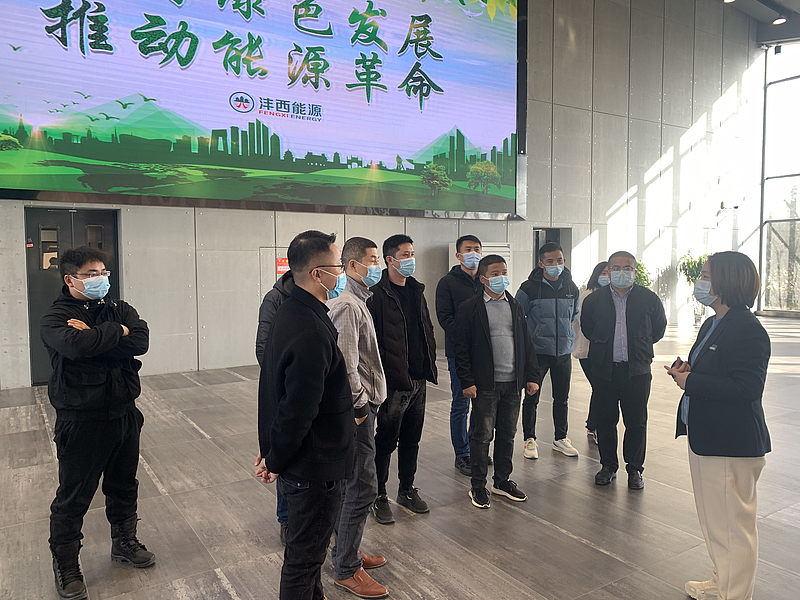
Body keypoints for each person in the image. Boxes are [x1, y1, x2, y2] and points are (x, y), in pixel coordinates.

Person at [41, 247, 153, 600]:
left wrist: (100, 333)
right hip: (81, 419)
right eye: (92, 274)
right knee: (74, 496)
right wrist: (117, 333)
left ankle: (124, 541)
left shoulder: (120, 308)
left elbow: (141, 340)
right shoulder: (55, 318)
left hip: (124, 413)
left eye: (104, 272)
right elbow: (76, 348)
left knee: (124, 485)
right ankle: (66, 564)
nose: (101, 279)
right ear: (70, 279)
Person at [256, 230, 355, 600]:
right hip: (314, 469)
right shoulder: (310, 328)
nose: (342, 274)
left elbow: (276, 391)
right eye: (338, 267)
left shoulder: (291, 311)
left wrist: (272, 450)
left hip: (301, 463)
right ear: (317, 274)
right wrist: (275, 458)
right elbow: (297, 409)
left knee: (307, 562)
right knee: (303, 562)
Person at [665, 252, 771, 600]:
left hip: (731, 443)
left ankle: (734, 594)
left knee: (733, 528)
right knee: (715, 523)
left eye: (707, 275)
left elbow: (747, 389)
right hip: (706, 437)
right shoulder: (713, 323)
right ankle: (722, 580)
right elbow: (718, 370)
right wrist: (688, 371)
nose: (700, 281)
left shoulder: (747, 329)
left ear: (727, 281)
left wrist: (692, 382)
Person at [328, 237, 389, 599]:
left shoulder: (359, 301)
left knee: (354, 483)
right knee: (362, 485)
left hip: (364, 407)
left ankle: (345, 551)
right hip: (358, 412)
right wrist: (361, 407)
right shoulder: (348, 306)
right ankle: (346, 568)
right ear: (352, 266)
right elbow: (346, 365)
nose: (377, 266)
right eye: (373, 260)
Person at [453, 255, 540, 509]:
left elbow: (526, 344)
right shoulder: (470, 308)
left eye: (503, 272)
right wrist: (467, 381)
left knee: (507, 434)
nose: (501, 277)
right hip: (485, 385)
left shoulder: (515, 305)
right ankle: (478, 485)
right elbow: (461, 348)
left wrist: (531, 376)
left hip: (513, 383)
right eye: (494, 273)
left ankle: (502, 481)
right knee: (482, 435)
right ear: (483, 278)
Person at [580, 250, 667, 490]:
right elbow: (588, 328)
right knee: (606, 421)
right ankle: (608, 466)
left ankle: (635, 469)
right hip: (604, 371)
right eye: (616, 268)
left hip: (637, 371)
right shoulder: (594, 300)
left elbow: (658, 329)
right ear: (608, 272)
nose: (621, 272)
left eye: (627, 267)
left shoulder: (649, 299)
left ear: (634, 271)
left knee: (636, 422)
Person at [367, 234, 438, 525]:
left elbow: (426, 328)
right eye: (405, 255)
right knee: (386, 440)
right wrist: (387, 372)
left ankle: (407, 489)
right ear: (390, 260)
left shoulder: (416, 290)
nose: (411, 259)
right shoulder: (376, 294)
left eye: (412, 254)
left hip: (419, 379)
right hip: (394, 382)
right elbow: (372, 341)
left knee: (412, 439)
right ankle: (378, 494)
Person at [516, 242, 581, 459]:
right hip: (537, 353)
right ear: (541, 264)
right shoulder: (528, 288)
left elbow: (573, 315)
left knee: (562, 398)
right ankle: (529, 439)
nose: (556, 264)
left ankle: (560, 438)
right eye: (550, 261)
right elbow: (519, 317)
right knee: (531, 397)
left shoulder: (571, 287)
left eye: (559, 260)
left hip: (563, 352)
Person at [435, 234, 483, 477]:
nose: (473, 253)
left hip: (485, 354)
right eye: (468, 249)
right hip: (459, 353)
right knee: (461, 403)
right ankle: (462, 453)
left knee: (482, 403)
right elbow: (445, 318)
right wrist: (468, 337)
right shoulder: (447, 283)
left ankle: (476, 448)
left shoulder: (486, 279)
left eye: (477, 249)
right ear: (458, 255)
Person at [254, 269, 294, 546]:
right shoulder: (275, 298)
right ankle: (286, 519)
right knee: (284, 452)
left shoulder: (327, 295)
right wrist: (285, 383)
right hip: (284, 390)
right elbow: (263, 349)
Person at [572, 261, 609, 444]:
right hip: (587, 350)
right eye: (604, 272)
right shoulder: (588, 295)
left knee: (601, 388)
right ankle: (595, 426)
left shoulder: (612, 295)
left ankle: (593, 424)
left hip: (605, 352)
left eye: (609, 272)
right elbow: (585, 322)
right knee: (600, 387)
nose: (607, 276)